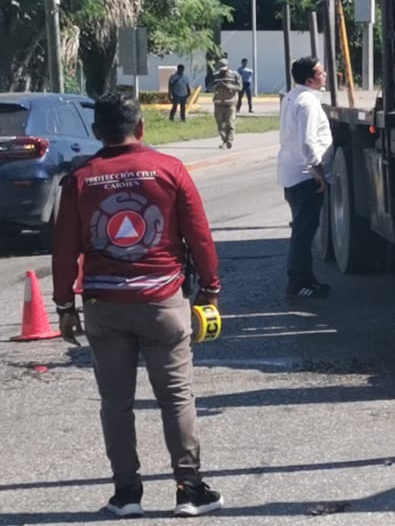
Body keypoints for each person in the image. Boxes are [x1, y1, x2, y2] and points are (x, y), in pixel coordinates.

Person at [52, 92, 224, 518]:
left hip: (103, 305)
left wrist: (63, 306)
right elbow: (199, 237)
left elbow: (63, 249)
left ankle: (126, 493)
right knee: (177, 397)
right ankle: (189, 489)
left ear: (96, 134)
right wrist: (210, 289)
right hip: (162, 301)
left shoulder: (81, 178)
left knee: (115, 402)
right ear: (142, 127)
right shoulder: (169, 170)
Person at [278, 55, 333, 299]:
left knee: (305, 230)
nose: (325, 76)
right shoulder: (308, 104)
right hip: (305, 176)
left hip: (292, 174)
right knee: (304, 232)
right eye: (321, 73)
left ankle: (307, 279)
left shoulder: (292, 97)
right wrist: (318, 172)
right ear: (311, 80)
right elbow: (308, 142)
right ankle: (298, 282)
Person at [210, 60, 242, 149]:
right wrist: (216, 86)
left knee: (230, 123)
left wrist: (228, 86)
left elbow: (240, 87)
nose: (222, 71)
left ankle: (229, 140)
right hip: (218, 103)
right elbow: (209, 87)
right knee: (220, 124)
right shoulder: (215, 76)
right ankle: (224, 140)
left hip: (230, 103)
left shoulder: (234, 75)